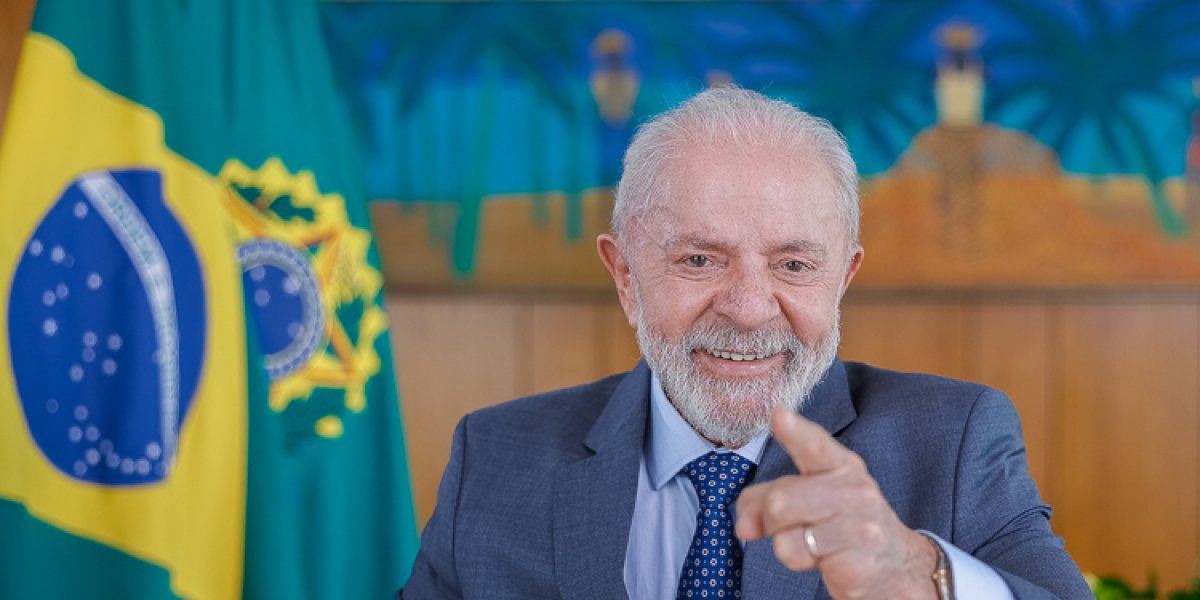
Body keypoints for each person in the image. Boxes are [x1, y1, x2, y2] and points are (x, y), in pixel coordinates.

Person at [400, 87, 1090, 599]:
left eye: (794, 265)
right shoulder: (491, 461)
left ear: (842, 277)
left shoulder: (956, 443)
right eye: (700, 260)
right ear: (625, 276)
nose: (751, 308)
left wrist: (916, 573)